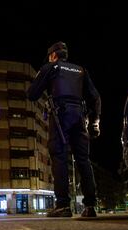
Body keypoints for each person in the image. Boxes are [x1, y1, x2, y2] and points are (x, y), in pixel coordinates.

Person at [27, 41, 101, 218]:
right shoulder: (81, 70)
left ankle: (63, 205)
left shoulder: (51, 67)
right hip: (80, 116)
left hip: (61, 114)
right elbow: (95, 97)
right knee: (83, 159)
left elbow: (31, 94)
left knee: (59, 156)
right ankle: (90, 206)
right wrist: (95, 121)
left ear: (53, 55)